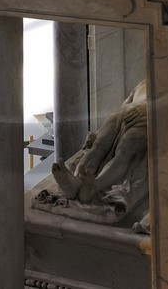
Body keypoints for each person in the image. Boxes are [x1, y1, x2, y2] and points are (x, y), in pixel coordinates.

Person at [46, 79, 150, 227]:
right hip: (122, 114)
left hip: (147, 118)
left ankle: (93, 186)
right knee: (98, 146)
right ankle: (75, 183)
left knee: (124, 152)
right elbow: (126, 102)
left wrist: (150, 108)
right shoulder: (142, 83)